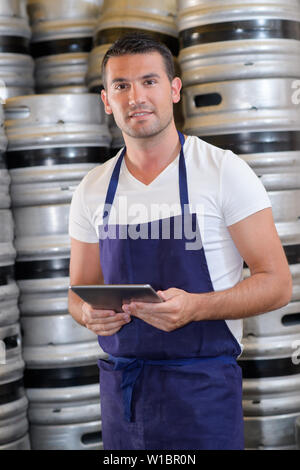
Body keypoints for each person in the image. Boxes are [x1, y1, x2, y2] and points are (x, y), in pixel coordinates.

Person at [68, 32, 292, 450]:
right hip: (123, 396)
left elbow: (277, 284)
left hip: (202, 395)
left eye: (149, 81)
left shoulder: (222, 171)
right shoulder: (92, 188)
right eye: (121, 86)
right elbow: (77, 292)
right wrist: (87, 314)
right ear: (106, 100)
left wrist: (196, 307)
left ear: (174, 90)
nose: (136, 96)